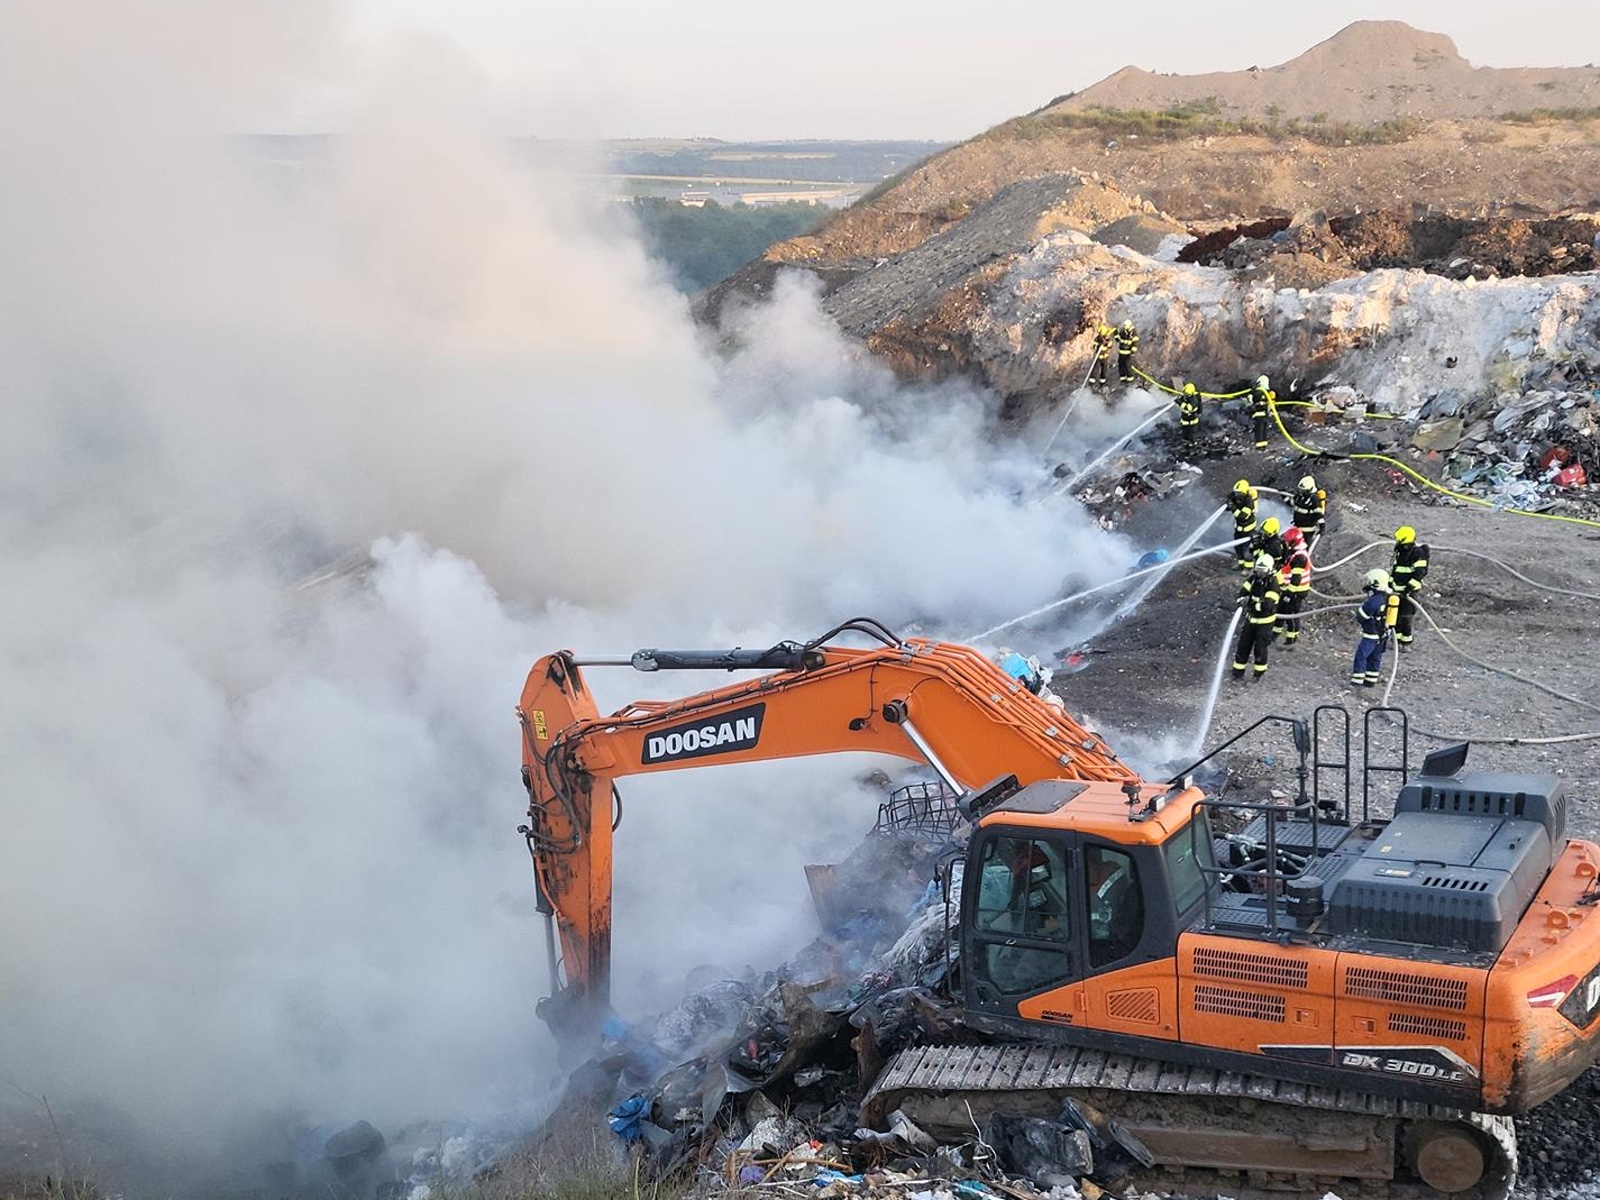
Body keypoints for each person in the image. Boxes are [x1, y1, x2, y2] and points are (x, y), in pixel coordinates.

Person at [1233, 554, 1280, 682]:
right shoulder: (1254, 579)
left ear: (1269, 570)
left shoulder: (1273, 584)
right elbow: (1244, 590)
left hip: (1264, 623)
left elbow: (1267, 606)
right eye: (1258, 570)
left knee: (1260, 649)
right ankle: (1237, 673)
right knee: (1243, 646)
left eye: (1262, 571)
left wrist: (1250, 604)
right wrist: (1241, 598)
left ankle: (1258, 674)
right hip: (1251, 620)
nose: (1259, 573)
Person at [1352, 568, 1400, 687]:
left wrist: (1359, 610)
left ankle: (1357, 681)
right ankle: (1371, 680)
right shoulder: (1388, 597)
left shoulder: (1374, 601)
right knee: (1375, 658)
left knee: (1361, 656)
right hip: (1383, 634)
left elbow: (1361, 616)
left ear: (1375, 583)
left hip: (1371, 634)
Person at [1389, 525, 1430, 647]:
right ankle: (1396, 641)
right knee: (1394, 616)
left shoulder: (1418, 554)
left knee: (1405, 617)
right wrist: (1390, 584)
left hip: (1409, 593)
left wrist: (1408, 589)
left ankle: (1406, 643)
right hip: (1396, 591)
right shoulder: (1401, 553)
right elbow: (1395, 571)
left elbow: (1420, 574)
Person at [1275, 526, 1312, 646]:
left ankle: (1291, 639)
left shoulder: (1300, 557)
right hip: (1288, 588)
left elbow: (1296, 579)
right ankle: (1275, 634)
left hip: (1296, 591)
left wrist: (1289, 594)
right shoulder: (1294, 552)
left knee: (1292, 614)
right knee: (1281, 610)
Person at [1228, 479, 1258, 569]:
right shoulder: (1235, 496)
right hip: (1238, 529)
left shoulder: (1249, 502)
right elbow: (1229, 498)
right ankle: (1241, 564)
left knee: (1247, 550)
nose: (1236, 495)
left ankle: (1248, 568)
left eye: (1239, 493)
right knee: (1238, 547)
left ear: (1244, 493)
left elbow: (1242, 516)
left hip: (1249, 530)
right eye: (1236, 493)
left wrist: (1233, 508)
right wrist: (1229, 502)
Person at [1291, 474, 1328, 544]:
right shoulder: (1300, 497)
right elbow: (1292, 503)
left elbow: (1318, 514)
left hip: (1307, 532)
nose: (1301, 492)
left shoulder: (1314, 499)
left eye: (1304, 491)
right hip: (1297, 528)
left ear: (1310, 489)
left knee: (1303, 547)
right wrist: (1283, 495)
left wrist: (1322, 527)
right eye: (1301, 490)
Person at [1249, 375, 1274, 449]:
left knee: (1259, 430)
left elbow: (1250, 401)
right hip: (1266, 414)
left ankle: (1260, 445)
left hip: (1259, 414)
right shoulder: (1269, 392)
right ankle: (1264, 445)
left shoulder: (1257, 392)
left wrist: (1252, 390)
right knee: (1265, 430)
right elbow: (1271, 404)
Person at [1088, 323, 1115, 389]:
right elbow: (1094, 346)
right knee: (1095, 370)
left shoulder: (1108, 339)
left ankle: (1102, 384)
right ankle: (1091, 384)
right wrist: (1099, 344)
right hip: (1098, 357)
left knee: (1104, 371)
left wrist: (1106, 343)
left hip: (1105, 358)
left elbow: (1110, 345)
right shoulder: (1097, 338)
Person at [1116, 319, 1139, 385]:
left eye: (1125, 325)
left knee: (1128, 367)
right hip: (1121, 353)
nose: (1124, 327)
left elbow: (1135, 342)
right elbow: (1118, 339)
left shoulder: (1133, 332)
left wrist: (1133, 350)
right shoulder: (1123, 332)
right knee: (1121, 366)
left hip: (1128, 354)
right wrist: (1115, 333)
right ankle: (1122, 380)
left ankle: (1130, 381)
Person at [1178, 382, 1202, 446]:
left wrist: (1179, 402)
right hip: (1185, 418)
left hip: (1192, 419)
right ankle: (1186, 441)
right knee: (1185, 432)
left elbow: (1189, 408)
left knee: (1192, 433)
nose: (1185, 394)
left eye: (1186, 394)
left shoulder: (1193, 400)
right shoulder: (1187, 396)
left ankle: (1194, 444)